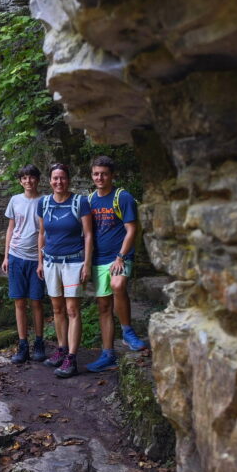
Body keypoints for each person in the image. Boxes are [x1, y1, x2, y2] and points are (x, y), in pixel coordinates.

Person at [85, 155, 148, 372]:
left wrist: (121, 256)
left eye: (104, 173)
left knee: (118, 285)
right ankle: (107, 354)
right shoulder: (90, 199)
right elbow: (87, 233)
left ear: (112, 175)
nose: (100, 177)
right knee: (103, 307)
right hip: (98, 259)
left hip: (120, 256)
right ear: (92, 176)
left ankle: (128, 332)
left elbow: (132, 229)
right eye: (96, 174)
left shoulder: (123, 197)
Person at [36, 163, 93, 379]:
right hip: (51, 261)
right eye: (55, 178)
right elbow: (41, 234)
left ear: (68, 179)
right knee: (57, 308)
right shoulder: (44, 203)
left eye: (62, 178)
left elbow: (88, 235)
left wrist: (87, 264)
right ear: (50, 181)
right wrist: (40, 261)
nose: (58, 182)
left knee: (72, 310)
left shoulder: (80, 202)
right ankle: (61, 349)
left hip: (73, 262)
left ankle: (71, 357)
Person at [2, 164, 46, 364]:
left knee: (36, 302)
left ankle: (39, 342)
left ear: (37, 179)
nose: (28, 181)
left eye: (32, 177)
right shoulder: (14, 200)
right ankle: (22, 345)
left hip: (34, 259)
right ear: (20, 181)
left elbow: (44, 233)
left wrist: (41, 260)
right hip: (16, 255)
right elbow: (11, 229)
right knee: (19, 302)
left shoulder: (44, 201)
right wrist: (6, 256)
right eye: (24, 178)